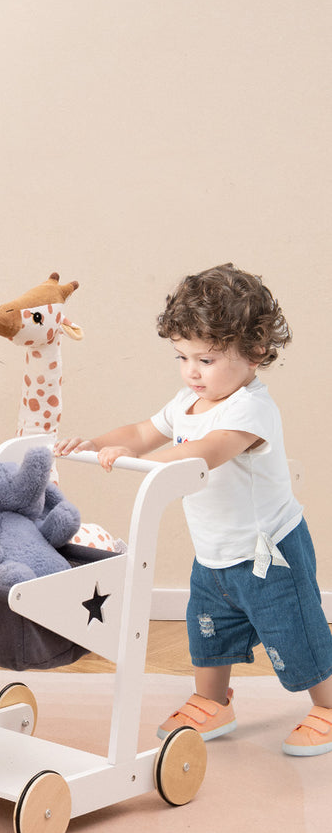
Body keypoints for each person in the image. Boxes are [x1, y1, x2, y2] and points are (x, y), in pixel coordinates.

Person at [57, 264, 332, 756]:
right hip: (214, 554)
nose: (191, 371)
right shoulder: (189, 400)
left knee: (295, 631)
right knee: (208, 628)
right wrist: (99, 443)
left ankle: (328, 704)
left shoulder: (249, 408)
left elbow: (208, 450)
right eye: (182, 356)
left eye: (205, 358)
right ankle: (213, 700)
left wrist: (151, 463)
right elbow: (144, 432)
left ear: (256, 353)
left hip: (268, 552)